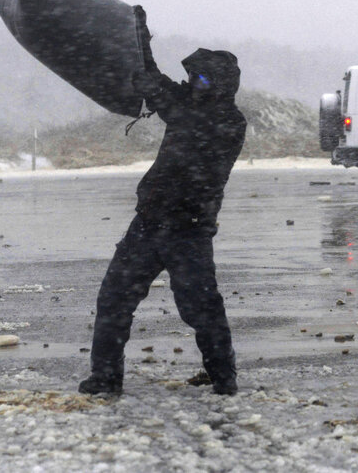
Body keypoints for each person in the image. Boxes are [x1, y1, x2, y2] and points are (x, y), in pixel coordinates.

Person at [78, 43, 247, 397]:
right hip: (149, 223)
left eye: (201, 78)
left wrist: (157, 88)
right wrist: (138, 40)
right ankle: (105, 377)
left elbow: (174, 105)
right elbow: (155, 81)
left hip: (189, 229)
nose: (193, 83)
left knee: (201, 308)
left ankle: (224, 378)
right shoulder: (188, 104)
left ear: (220, 83)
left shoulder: (228, 121)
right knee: (114, 298)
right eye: (191, 77)